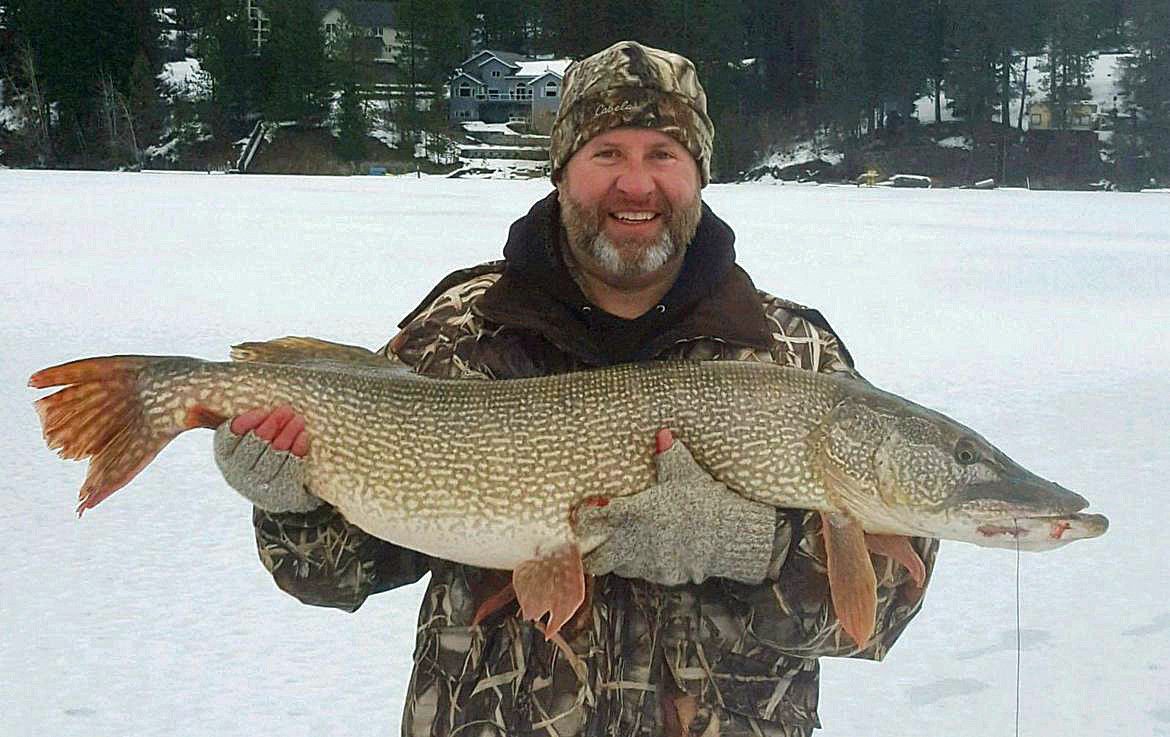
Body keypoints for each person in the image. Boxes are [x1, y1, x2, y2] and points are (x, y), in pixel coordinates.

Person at [213, 40, 937, 737]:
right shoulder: (464, 330)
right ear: (562, 171)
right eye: (607, 154)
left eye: (664, 154)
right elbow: (342, 569)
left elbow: (884, 612)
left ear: (699, 176)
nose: (636, 183)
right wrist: (292, 505)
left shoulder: (788, 352)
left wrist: (752, 545)